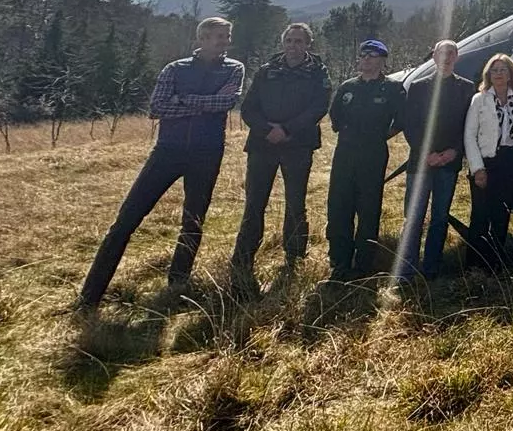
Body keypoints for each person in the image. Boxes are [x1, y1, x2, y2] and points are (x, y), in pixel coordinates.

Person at [78, 17, 245, 309]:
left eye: (226, 36)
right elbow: (157, 108)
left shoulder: (234, 69)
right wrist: (203, 102)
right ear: (202, 38)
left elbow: (226, 104)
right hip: (168, 150)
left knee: (193, 221)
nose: (224, 42)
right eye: (218, 36)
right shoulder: (175, 69)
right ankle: (91, 293)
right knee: (127, 219)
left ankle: (176, 286)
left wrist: (182, 101)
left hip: (207, 152)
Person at [230, 22, 331, 288]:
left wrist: (287, 129)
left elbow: (319, 107)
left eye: (299, 41)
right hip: (262, 145)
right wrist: (267, 130)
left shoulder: (318, 74)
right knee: (254, 203)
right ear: (282, 43)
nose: (293, 46)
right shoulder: (266, 71)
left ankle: (294, 257)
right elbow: (248, 108)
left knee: (295, 203)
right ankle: (242, 259)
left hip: (298, 145)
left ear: (308, 44)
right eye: (289, 41)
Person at [324, 40, 406, 281]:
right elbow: (335, 117)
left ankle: (364, 263)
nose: (367, 60)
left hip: (373, 153)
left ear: (382, 60)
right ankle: (339, 261)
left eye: (372, 56)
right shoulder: (348, 87)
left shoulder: (393, 88)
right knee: (339, 205)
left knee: (368, 207)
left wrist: (381, 135)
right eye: (363, 55)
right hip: (346, 152)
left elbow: (401, 120)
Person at [394, 39, 473, 281]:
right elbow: (411, 125)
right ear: (434, 57)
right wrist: (427, 152)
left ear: (456, 57)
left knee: (439, 217)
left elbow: (468, 127)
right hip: (421, 162)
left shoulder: (466, 88)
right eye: (442, 53)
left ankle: (431, 268)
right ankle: (406, 269)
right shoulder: (418, 87)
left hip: (449, 162)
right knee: (414, 217)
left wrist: (454, 152)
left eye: (451, 53)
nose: (446, 57)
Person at [463, 53, 513, 270]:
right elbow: (469, 135)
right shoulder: (479, 99)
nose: (498, 74)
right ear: (488, 74)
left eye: (503, 70)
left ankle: (496, 262)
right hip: (487, 160)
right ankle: (475, 264)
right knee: (480, 213)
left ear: (511, 74)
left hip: (512, 160)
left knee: (502, 212)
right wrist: (477, 168)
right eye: (494, 70)